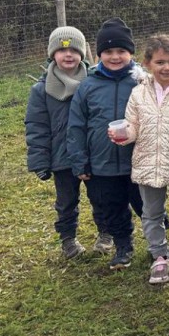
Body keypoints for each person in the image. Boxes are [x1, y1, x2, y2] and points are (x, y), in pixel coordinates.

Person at [113, 35, 169, 283]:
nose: (166, 67)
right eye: (160, 62)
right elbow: (133, 125)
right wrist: (124, 134)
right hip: (148, 163)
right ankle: (159, 255)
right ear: (148, 63)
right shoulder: (138, 93)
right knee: (151, 213)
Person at [67, 17, 144, 270]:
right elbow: (76, 126)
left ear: (130, 53)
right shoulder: (88, 86)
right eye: (108, 51)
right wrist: (80, 161)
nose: (115, 57)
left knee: (145, 203)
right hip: (102, 162)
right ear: (99, 54)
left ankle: (159, 242)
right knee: (112, 207)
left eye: (121, 51)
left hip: (138, 158)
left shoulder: (141, 81)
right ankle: (123, 246)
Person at [25, 26, 103, 259]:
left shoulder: (95, 82)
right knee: (66, 201)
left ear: (82, 54)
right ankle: (68, 239)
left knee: (101, 196)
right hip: (62, 157)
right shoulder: (41, 91)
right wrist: (40, 160)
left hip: (94, 155)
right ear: (52, 54)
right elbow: (36, 127)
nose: (68, 55)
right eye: (61, 50)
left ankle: (107, 233)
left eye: (73, 50)